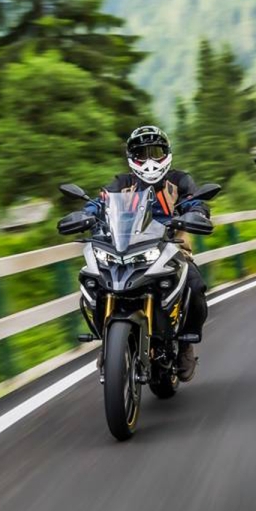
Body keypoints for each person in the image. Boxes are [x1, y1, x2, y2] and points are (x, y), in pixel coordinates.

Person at [83, 125, 209, 381]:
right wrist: (85, 214)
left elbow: (196, 202)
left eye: (156, 152)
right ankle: (109, 342)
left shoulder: (180, 180)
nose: (150, 160)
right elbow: (98, 202)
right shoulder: (121, 183)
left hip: (171, 247)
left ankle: (185, 344)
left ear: (167, 153)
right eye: (142, 154)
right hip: (124, 248)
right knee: (94, 282)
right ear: (132, 157)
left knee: (195, 286)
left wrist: (197, 213)